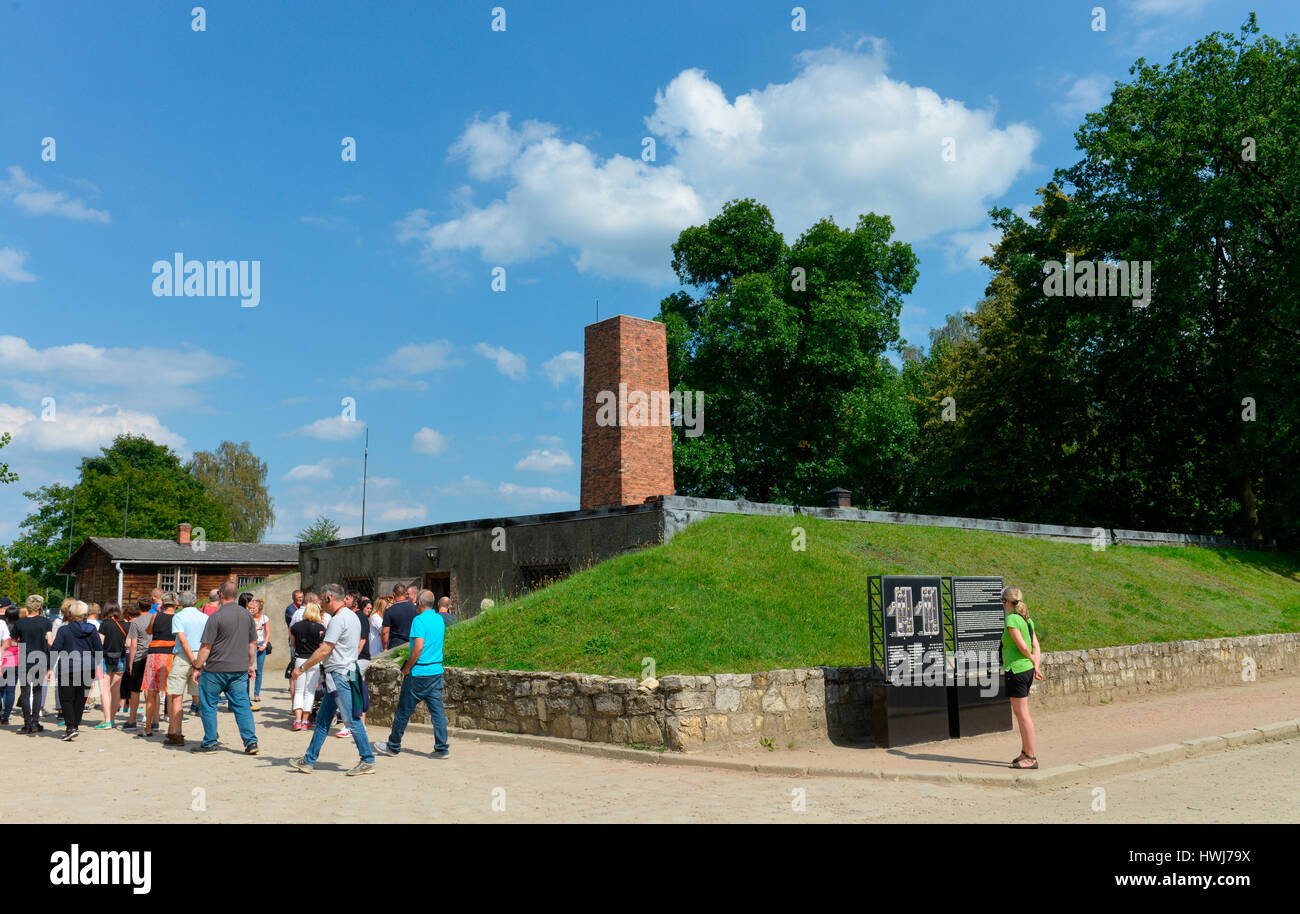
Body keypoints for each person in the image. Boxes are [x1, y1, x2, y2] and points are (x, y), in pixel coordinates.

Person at [288, 583, 373, 775]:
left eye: (322, 599)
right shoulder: (353, 616)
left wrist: (301, 668)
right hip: (347, 670)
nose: (321, 604)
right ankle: (309, 760)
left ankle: (367, 759)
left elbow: (326, 648)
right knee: (324, 719)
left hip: (339, 674)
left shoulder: (338, 619)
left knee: (351, 719)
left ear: (329, 598)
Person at [374, 590, 449, 760]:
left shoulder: (419, 620)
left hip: (419, 673)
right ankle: (442, 748)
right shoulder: (439, 619)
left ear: (420, 603)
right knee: (437, 712)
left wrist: (407, 668)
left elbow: (418, 647)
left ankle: (393, 746)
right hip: (436, 671)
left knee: (403, 711)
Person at [190, 581, 259, 754]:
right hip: (239, 668)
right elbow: (252, 644)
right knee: (242, 705)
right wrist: (250, 665)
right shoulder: (247, 616)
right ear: (236, 595)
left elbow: (206, 647)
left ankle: (210, 742)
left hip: (216, 668)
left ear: (221, 595)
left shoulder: (216, 617)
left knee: (209, 705)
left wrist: (197, 667)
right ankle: (251, 742)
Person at [49, 600, 102, 741]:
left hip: (68, 667)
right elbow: (99, 649)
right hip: (87, 666)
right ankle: (75, 725)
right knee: (80, 698)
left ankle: (70, 726)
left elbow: (55, 649)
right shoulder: (92, 630)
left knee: (66, 699)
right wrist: (95, 664)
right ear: (85, 614)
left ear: (71, 614)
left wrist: (49, 666)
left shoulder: (64, 630)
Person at [1003, 586, 1044, 770]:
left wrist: (1030, 660)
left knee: (1023, 715)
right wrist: (1035, 665)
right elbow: (1036, 645)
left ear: (1006, 602)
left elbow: (1023, 647)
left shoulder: (1012, 619)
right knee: (1022, 715)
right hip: (1026, 670)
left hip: (1017, 671)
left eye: (1002, 602)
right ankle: (1025, 752)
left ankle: (1031, 757)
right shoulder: (1027, 619)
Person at [164, 591, 208, 746]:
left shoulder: (179, 616)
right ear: (195, 601)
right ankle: (210, 730)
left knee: (176, 696)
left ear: (179, 603)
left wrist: (192, 660)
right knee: (201, 698)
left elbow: (182, 640)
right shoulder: (205, 617)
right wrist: (198, 661)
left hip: (184, 656)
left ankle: (176, 733)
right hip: (202, 655)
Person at [140, 593, 179, 738]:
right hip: (171, 654)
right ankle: (171, 728)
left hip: (154, 653)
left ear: (163, 604)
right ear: (176, 604)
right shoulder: (177, 618)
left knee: (151, 692)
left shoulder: (156, 616)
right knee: (170, 690)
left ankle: (148, 728)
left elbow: (149, 631)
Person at [14, 598, 53, 733]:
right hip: (40, 658)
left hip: (24, 658)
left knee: (25, 692)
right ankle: (35, 722)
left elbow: (14, 642)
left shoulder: (20, 623)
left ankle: (27, 723)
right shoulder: (45, 622)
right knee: (37, 691)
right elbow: (50, 642)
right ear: (39, 607)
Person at [289, 602, 326, 730]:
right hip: (314, 660)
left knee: (299, 691)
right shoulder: (320, 628)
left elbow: (293, 644)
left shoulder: (296, 627)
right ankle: (305, 721)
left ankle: (297, 720)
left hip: (300, 659)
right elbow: (322, 648)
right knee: (310, 691)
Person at [120, 599, 151, 731]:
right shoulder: (155, 619)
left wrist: (131, 662)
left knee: (135, 690)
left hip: (139, 657)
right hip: (152, 655)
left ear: (138, 607)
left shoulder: (136, 622)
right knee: (150, 689)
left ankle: (132, 719)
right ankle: (152, 720)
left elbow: (133, 645)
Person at [99, 602, 127, 726]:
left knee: (104, 690)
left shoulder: (104, 625)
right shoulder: (125, 625)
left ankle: (107, 720)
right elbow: (127, 644)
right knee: (116, 690)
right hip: (121, 658)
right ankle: (112, 718)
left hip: (106, 658)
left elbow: (100, 643)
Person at [381, 585, 419, 650]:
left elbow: (385, 632)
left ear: (394, 594)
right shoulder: (416, 609)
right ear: (405, 594)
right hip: (412, 645)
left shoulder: (389, 611)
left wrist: (385, 648)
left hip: (396, 646)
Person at [249, 598, 269, 707]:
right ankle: (245, 694)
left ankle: (256, 694)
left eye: (254, 608)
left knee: (259, 671)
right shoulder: (248, 618)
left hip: (260, 645)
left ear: (259, 608)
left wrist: (265, 644)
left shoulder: (264, 618)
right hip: (250, 645)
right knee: (248, 670)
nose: (252, 610)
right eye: (251, 608)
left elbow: (268, 633)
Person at [1, 600, 18, 725]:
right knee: (10, 690)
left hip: (2, 660)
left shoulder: (3, 626)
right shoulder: (20, 627)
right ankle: (6, 716)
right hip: (15, 661)